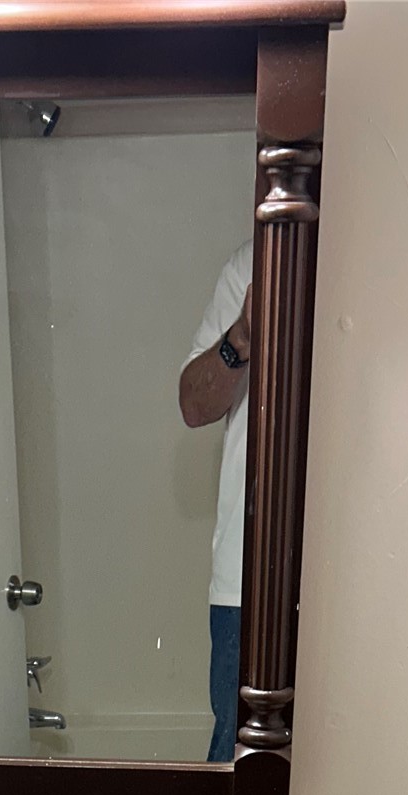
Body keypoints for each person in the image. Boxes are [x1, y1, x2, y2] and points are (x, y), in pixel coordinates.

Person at [179, 241, 252, 763]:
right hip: (244, 580)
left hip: (351, 582)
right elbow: (192, 405)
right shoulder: (251, 265)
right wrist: (241, 337)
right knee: (234, 769)